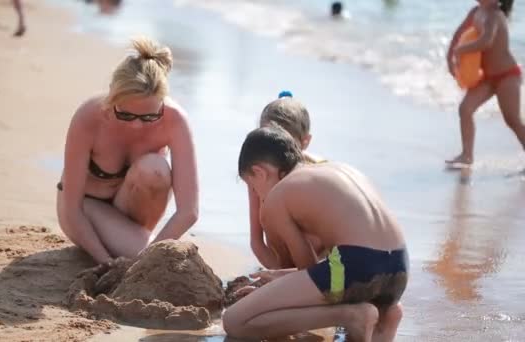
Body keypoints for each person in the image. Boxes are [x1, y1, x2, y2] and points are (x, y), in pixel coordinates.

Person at [223, 126, 409, 341]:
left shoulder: (278, 196)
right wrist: (278, 277)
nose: (257, 195)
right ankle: (388, 313)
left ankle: (351, 315)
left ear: (259, 172)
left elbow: (308, 270)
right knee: (364, 309)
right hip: (399, 268)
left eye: (253, 187)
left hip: (357, 266)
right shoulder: (339, 169)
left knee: (235, 321)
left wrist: (274, 286)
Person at [56, 37, 198, 265]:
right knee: (145, 258)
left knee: (156, 169)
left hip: (133, 213)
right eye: (126, 115)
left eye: (149, 117)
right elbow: (72, 208)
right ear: (112, 95)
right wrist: (105, 262)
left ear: (162, 101)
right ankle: (127, 249)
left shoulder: (175, 120)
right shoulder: (89, 116)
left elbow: (188, 211)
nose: (137, 125)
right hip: (86, 210)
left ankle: (134, 246)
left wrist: (147, 259)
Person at [249, 91, 327, 269]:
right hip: (280, 264)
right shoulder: (259, 173)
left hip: (321, 265)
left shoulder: (318, 173)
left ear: (305, 141)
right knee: (271, 211)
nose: (277, 152)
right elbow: (257, 242)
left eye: (286, 144)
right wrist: (278, 274)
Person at [446, 0, 524, 166]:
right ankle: (467, 155)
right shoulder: (476, 12)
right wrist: (449, 58)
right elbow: (459, 34)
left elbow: (486, 41)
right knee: (465, 109)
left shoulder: (495, 16)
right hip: (487, 78)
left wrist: (460, 50)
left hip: (507, 76)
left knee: (512, 119)